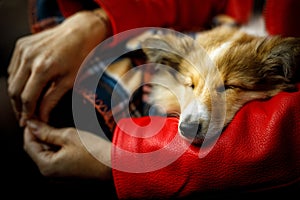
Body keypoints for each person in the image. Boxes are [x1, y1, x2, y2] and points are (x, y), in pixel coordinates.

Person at [7, 0, 300, 199]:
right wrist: (103, 19)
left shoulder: (275, 63)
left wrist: (121, 160)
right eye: (193, 85)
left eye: (229, 88)